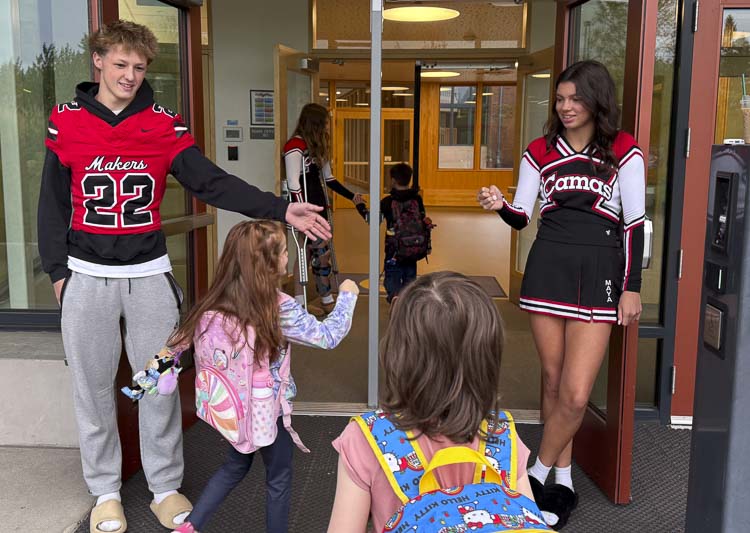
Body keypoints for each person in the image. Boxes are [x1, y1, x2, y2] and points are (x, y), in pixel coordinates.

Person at [37, 20, 330, 533]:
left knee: (160, 384)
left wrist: (282, 210)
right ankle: (105, 491)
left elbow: (211, 182)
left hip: (149, 273)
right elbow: (51, 205)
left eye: (139, 67)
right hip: (86, 273)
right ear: (99, 61)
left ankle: (164, 487)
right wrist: (59, 273)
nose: (130, 75)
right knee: (92, 388)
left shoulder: (162, 123)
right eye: (121, 64)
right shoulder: (66, 122)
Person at [477, 60, 645, 530]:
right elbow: (522, 216)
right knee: (551, 383)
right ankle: (564, 480)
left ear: (596, 100)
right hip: (548, 266)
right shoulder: (540, 150)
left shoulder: (624, 150)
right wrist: (499, 207)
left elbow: (634, 225)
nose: (566, 107)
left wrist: (631, 288)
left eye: (576, 98)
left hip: (599, 272)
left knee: (574, 394)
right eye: (560, 99)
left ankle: (530, 477)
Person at [167, 221, 359, 533]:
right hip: (267, 411)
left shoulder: (216, 299)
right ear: (268, 264)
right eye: (284, 252)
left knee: (235, 464)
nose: (288, 258)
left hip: (234, 409)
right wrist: (348, 296)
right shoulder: (278, 307)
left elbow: (180, 343)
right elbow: (327, 336)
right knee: (279, 478)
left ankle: (189, 528)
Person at [327, 271, 536, 533]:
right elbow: (528, 518)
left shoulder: (366, 438)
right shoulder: (502, 435)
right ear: (488, 359)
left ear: (398, 353)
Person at [283, 103, 366, 314]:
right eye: (326, 123)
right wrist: (303, 213)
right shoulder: (295, 146)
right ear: (316, 123)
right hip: (303, 210)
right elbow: (293, 182)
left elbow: (329, 179)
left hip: (319, 207)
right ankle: (321, 299)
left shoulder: (317, 147)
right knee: (314, 253)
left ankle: (308, 301)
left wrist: (351, 196)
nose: (328, 127)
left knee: (312, 252)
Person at [380, 162, 433, 303]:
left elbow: (373, 220)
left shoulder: (387, 202)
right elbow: (422, 217)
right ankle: (408, 301)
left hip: (394, 249)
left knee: (392, 275)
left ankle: (395, 298)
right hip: (413, 247)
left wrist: (360, 205)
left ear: (392, 180)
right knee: (410, 276)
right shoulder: (417, 199)